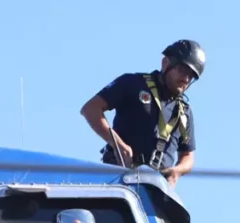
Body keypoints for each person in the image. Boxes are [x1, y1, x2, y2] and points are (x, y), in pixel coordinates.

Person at [80, 40, 205, 186]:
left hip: (155, 190)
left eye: (191, 76)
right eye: (183, 70)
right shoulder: (133, 83)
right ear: (166, 63)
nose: (186, 79)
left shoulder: (184, 112)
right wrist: (118, 144)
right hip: (118, 180)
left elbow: (188, 156)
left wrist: (177, 171)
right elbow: (91, 109)